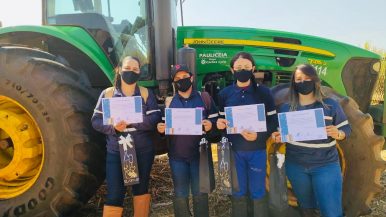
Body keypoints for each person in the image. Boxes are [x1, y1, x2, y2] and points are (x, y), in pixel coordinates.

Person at [271, 64, 351, 217]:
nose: (303, 82)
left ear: (315, 81)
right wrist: (277, 137)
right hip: (296, 166)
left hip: (325, 166)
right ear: (294, 83)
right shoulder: (286, 108)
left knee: (331, 211)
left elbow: (346, 129)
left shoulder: (330, 105)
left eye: (307, 79)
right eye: (299, 79)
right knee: (306, 209)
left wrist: (338, 133)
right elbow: (281, 133)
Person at [91, 56, 161, 217]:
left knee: (141, 190)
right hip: (116, 152)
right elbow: (95, 121)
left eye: (135, 69)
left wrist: (135, 121)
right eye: (128, 68)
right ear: (119, 69)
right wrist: (113, 128)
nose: (131, 72)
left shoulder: (145, 93)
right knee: (115, 193)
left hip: (143, 151)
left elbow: (155, 117)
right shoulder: (107, 94)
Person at [216, 52, 277, 217]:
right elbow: (222, 122)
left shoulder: (264, 93)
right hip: (235, 151)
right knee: (238, 190)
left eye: (246, 67)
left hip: (257, 150)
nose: (242, 70)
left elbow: (273, 122)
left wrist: (259, 136)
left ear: (253, 69)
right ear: (232, 70)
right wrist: (219, 124)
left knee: (258, 191)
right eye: (238, 67)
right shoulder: (224, 94)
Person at [157, 64, 219, 217]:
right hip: (177, 157)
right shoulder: (169, 102)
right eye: (177, 78)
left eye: (184, 77)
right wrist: (161, 130)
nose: (181, 80)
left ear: (191, 78)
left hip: (199, 156)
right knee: (180, 193)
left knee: (200, 193)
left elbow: (217, 122)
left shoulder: (204, 98)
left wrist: (211, 126)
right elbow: (164, 129)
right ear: (174, 82)